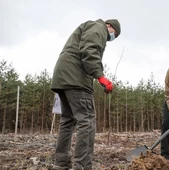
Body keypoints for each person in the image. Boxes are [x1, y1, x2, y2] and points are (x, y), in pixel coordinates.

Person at [51, 19, 121, 170]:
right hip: (76, 78)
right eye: (113, 35)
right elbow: (89, 50)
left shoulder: (88, 27)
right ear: (110, 26)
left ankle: (61, 163)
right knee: (87, 120)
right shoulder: (99, 27)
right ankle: (82, 165)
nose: (111, 38)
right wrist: (100, 76)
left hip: (62, 76)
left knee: (67, 120)